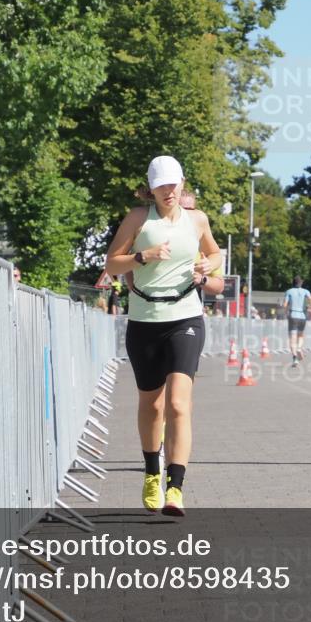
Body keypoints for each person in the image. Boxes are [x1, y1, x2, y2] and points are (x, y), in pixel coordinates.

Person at [105, 155, 222, 517]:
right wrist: (143, 256)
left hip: (185, 317)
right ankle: (152, 471)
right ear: (151, 188)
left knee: (178, 405)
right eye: (161, 185)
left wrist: (208, 265)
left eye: (173, 184)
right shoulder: (138, 219)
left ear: (182, 183)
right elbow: (111, 264)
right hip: (144, 321)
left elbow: (216, 252)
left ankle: (176, 487)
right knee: (152, 405)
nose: (168, 191)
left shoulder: (197, 219)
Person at [283, 276, 311, 366]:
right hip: (302, 316)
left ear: (293, 283)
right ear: (301, 283)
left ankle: (295, 358)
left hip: (293, 315)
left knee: (292, 339)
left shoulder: (289, 291)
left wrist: (286, 313)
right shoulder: (305, 291)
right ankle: (299, 348)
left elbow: (285, 305)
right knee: (301, 335)